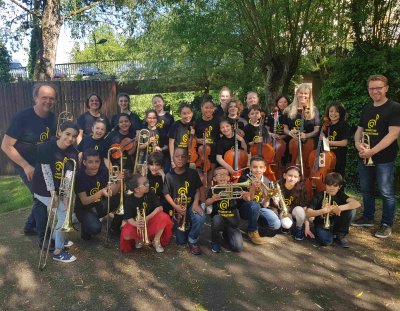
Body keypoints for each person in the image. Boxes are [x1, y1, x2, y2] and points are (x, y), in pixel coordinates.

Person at [1, 83, 57, 235]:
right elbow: (6, 146)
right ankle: (44, 236)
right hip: (24, 162)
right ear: (35, 98)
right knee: (41, 195)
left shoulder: (52, 118)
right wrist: (25, 165)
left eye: (51, 98)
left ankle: (29, 226)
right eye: (44, 97)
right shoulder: (22, 117)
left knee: (44, 193)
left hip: (42, 162)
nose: (48, 101)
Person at [352, 74, 400, 238]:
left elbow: (393, 135)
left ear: (386, 88)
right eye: (372, 88)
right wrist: (358, 145)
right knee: (366, 190)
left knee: (386, 192)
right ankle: (368, 217)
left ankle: (386, 224)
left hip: (384, 158)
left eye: (378, 87)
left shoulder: (394, 107)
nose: (375, 91)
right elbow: (359, 131)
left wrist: (372, 151)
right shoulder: (367, 108)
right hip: (364, 156)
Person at [32, 121, 79, 262]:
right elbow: (46, 172)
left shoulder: (73, 153)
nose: (70, 138)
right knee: (63, 213)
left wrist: (66, 195)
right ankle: (58, 252)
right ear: (60, 132)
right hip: (42, 188)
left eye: (74, 136)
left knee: (65, 209)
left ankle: (57, 237)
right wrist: (54, 194)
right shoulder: (46, 147)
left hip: (59, 189)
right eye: (67, 134)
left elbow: (69, 176)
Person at [163, 148, 206, 255]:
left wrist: (196, 203)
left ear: (187, 159)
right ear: (173, 158)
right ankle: (186, 226)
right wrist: (175, 207)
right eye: (177, 156)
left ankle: (192, 240)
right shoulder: (169, 176)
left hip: (191, 204)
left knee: (201, 217)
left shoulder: (192, 173)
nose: (180, 159)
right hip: (177, 208)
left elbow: (197, 190)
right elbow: (166, 194)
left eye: (183, 157)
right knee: (181, 241)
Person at [74, 148, 123, 241]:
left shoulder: (103, 171)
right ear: (84, 162)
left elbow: (114, 192)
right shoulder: (79, 176)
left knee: (124, 199)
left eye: (97, 162)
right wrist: (101, 192)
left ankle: (114, 228)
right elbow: (84, 201)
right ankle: (86, 226)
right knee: (95, 228)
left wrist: (118, 181)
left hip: (100, 205)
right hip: (84, 209)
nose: (94, 165)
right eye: (90, 162)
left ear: (100, 161)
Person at [120, 174, 173, 253]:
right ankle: (139, 239)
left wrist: (146, 218)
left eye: (147, 182)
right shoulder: (129, 200)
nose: (148, 184)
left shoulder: (150, 192)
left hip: (151, 221)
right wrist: (136, 224)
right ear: (137, 189)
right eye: (145, 184)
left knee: (164, 217)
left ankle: (156, 241)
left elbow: (160, 208)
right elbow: (129, 218)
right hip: (139, 225)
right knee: (126, 235)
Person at [306, 172, 360, 247]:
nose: (332, 188)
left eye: (335, 185)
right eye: (329, 185)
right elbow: (308, 212)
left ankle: (340, 236)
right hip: (321, 224)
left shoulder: (340, 195)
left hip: (336, 223)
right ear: (325, 185)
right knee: (326, 241)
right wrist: (322, 211)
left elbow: (357, 203)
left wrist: (339, 208)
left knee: (352, 210)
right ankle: (326, 234)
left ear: (339, 187)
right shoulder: (319, 195)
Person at [238, 156, 280, 245]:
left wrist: (268, 197)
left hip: (260, 208)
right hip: (246, 208)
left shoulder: (267, 181)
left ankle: (256, 226)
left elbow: (265, 205)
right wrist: (252, 187)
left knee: (276, 225)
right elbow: (249, 200)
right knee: (255, 205)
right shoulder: (244, 179)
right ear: (250, 168)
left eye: (261, 167)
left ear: (265, 169)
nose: (258, 170)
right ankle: (252, 231)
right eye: (255, 167)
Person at [282, 84, 320, 177]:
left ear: (309, 95)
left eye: (306, 93)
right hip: (293, 142)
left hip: (309, 142)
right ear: (297, 94)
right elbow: (285, 129)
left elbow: (317, 130)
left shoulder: (314, 110)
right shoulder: (288, 110)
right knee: (292, 161)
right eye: (301, 93)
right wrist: (290, 132)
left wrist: (307, 135)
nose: (303, 95)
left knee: (308, 163)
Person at [205, 167, 243, 253]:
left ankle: (226, 234)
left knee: (238, 248)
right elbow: (206, 203)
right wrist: (212, 199)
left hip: (232, 221)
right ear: (214, 178)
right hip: (219, 219)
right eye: (219, 174)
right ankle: (215, 242)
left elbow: (246, 199)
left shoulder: (234, 187)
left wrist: (245, 195)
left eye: (224, 174)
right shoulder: (213, 189)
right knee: (216, 219)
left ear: (229, 178)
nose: (222, 176)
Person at [273, 166, 314, 240]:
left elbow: (304, 208)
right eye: (290, 175)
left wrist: (307, 227)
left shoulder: (301, 188)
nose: (292, 179)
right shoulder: (278, 185)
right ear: (284, 175)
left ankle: (299, 228)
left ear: (298, 178)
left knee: (300, 211)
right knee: (286, 224)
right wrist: (275, 201)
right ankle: (286, 226)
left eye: (295, 177)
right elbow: (275, 205)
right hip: (283, 211)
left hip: (295, 210)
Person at [194, 97, 220, 202]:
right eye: (206, 108)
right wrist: (198, 140)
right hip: (201, 155)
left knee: (209, 179)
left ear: (213, 109)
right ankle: (202, 201)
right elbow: (193, 137)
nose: (208, 110)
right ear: (201, 108)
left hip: (213, 154)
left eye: (210, 108)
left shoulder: (217, 121)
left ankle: (209, 200)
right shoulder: (197, 122)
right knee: (201, 180)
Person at [323, 103, 351, 179]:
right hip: (327, 158)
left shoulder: (344, 125)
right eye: (331, 111)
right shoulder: (326, 126)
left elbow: (345, 143)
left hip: (339, 158)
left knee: (337, 179)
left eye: (336, 111)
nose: (333, 114)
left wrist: (329, 142)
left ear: (341, 113)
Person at [168, 102, 194, 169]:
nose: (187, 116)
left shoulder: (192, 125)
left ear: (192, 113)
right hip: (177, 158)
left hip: (187, 158)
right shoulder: (175, 125)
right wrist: (172, 160)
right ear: (180, 114)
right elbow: (171, 143)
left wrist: (192, 135)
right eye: (184, 113)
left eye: (189, 113)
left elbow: (192, 144)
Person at [152, 94, 174, 173]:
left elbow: (172, 134)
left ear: (163, 102)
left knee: (167, 172)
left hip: (166, 149)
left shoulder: (169, 117)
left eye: (159, 101)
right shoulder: (152, 117)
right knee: (156, 173)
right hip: (154, 150)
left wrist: (167, 147)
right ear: (153, 104)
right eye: (155, 102)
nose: (157, 104)